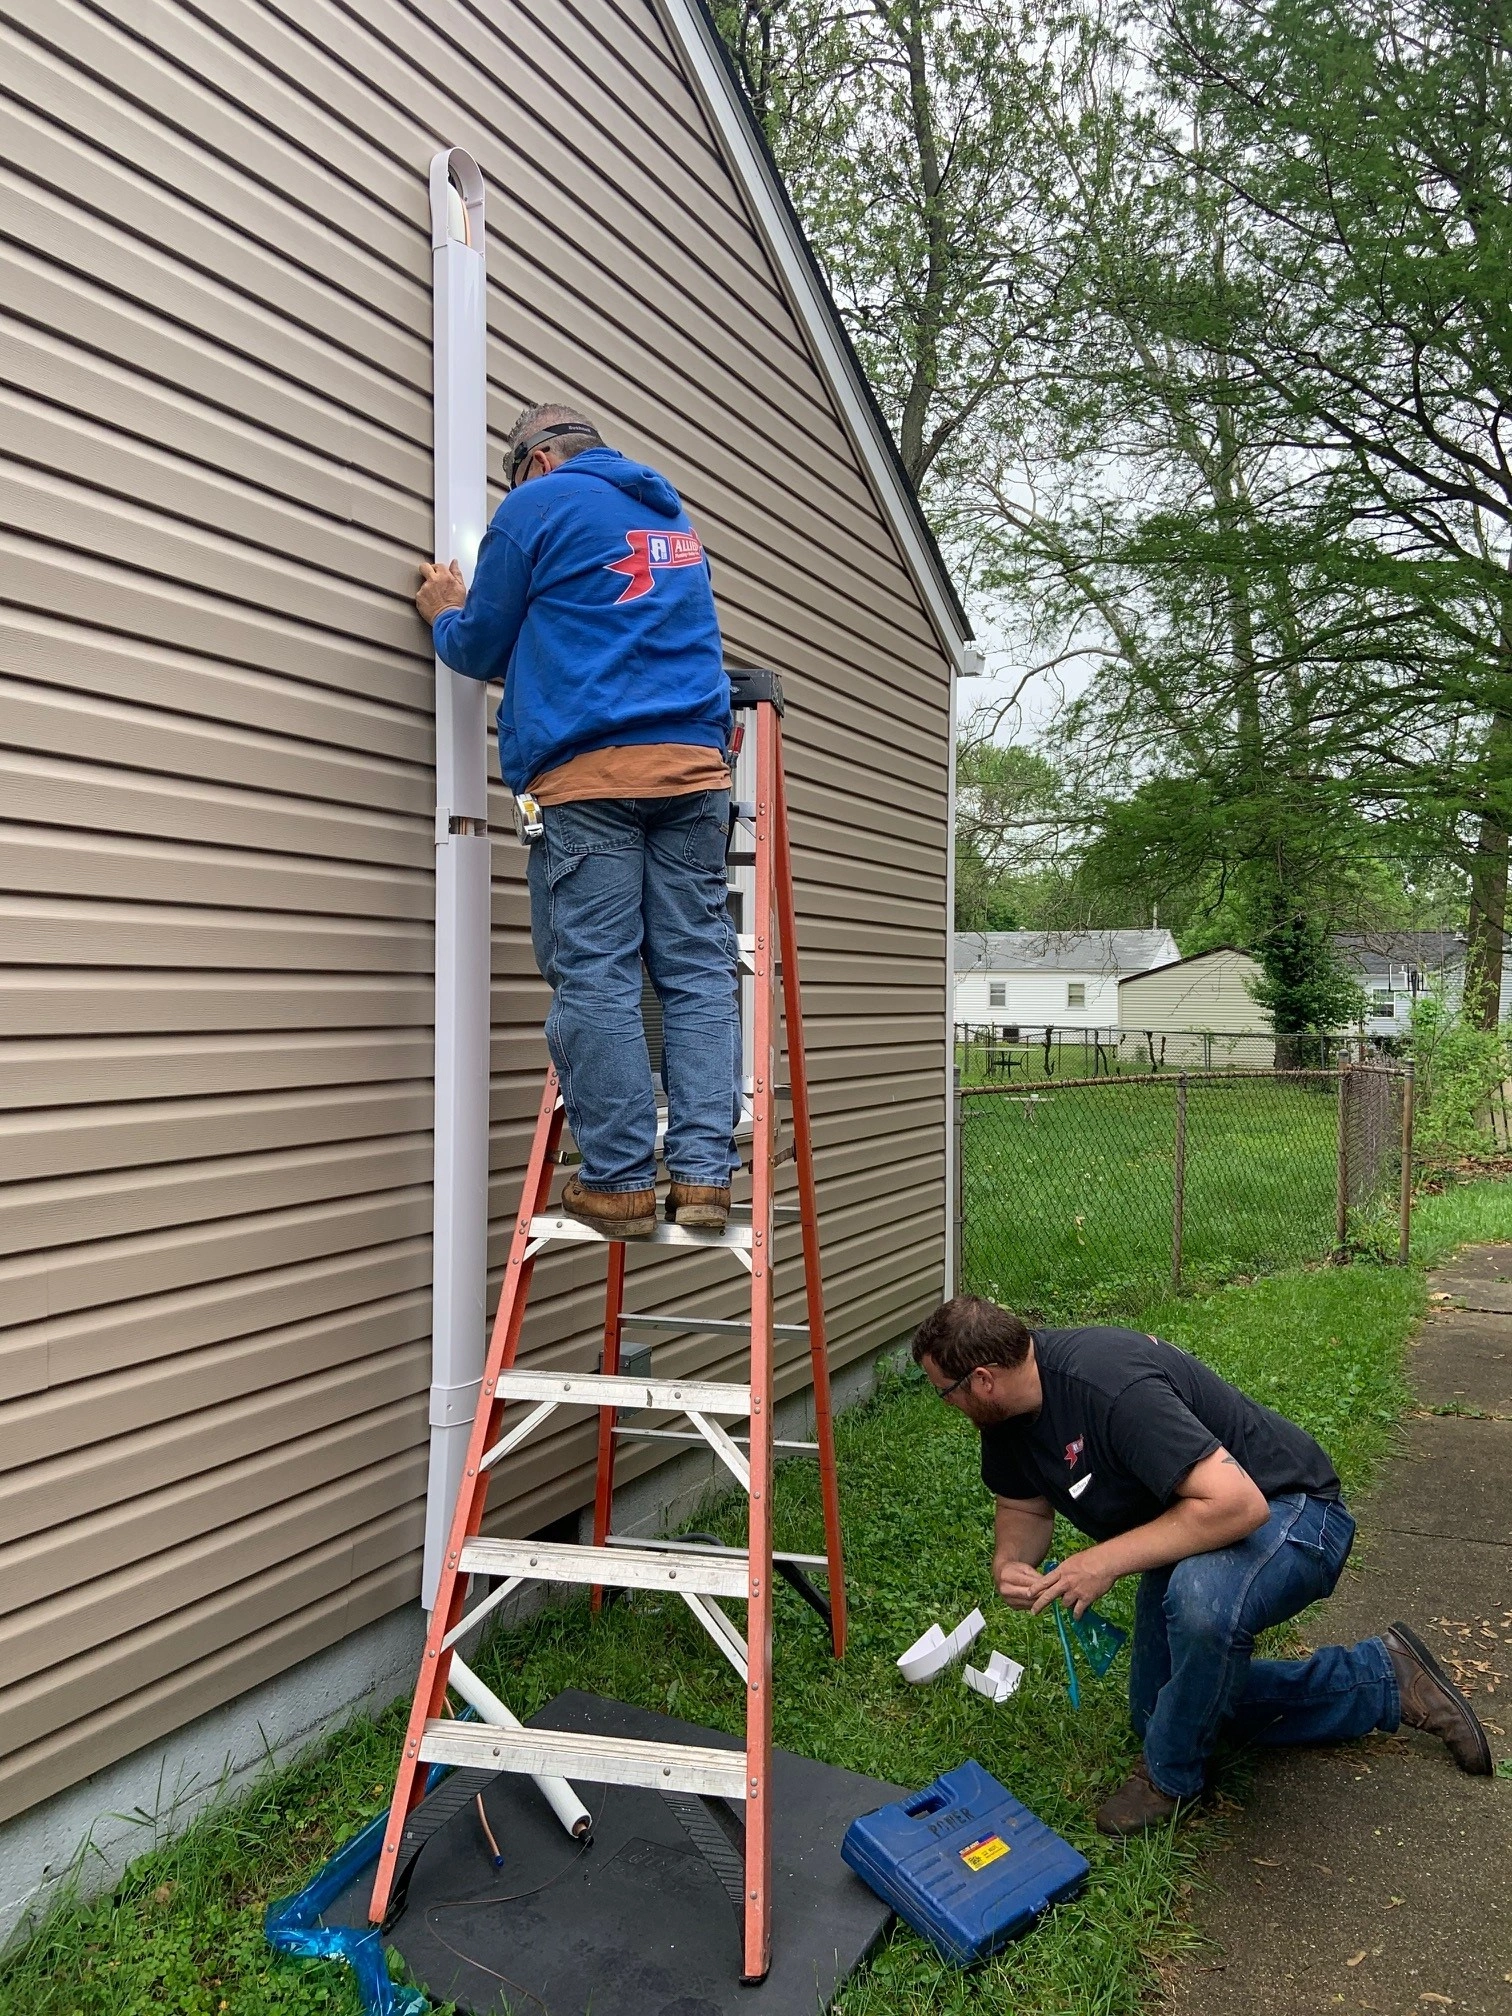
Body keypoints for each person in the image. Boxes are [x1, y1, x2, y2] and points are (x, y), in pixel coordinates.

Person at [911, 1295, 1493, 1833]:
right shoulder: (1006, 1415)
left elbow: (1238, 1504)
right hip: (1194, 1527)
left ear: (982, 1380)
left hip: (1291, 1512)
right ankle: (1383, 1679)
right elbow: (1023, 1504)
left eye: (944, 1391)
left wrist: (1103, 1560)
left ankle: (1169, 1783)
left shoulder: (1109, 1386)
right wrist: (1010, 1560)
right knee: (1163, 1712)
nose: (947, 1403)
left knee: (1200, 1604)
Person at [415, 403, 740, 1239]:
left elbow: (483, 646)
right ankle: (704, 1178)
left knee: (597, 974)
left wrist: (445, 611)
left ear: (537, 460)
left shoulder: (538, 503)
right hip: (695, 773)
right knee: (698, 972)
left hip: (590, 778)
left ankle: (623, 1179)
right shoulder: (669, 512)